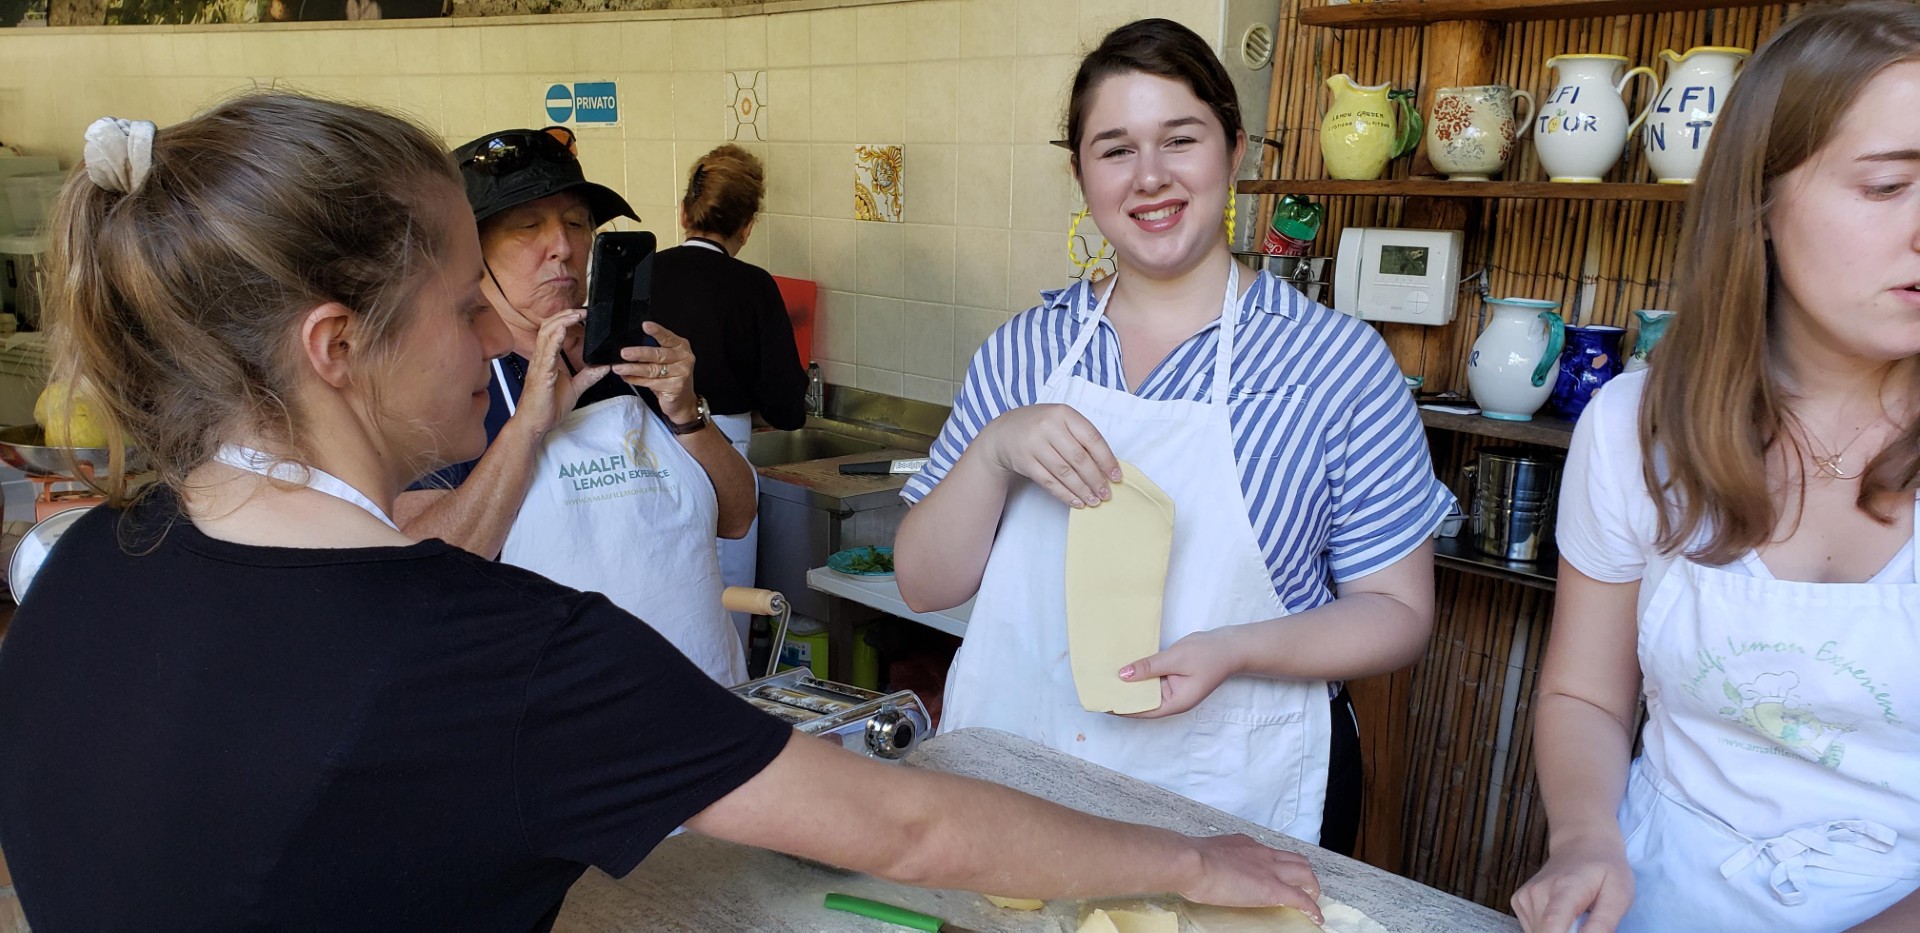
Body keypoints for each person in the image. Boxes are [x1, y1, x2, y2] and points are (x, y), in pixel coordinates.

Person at [0, 93, 1327, 931]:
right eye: (469, 301)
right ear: (336, 346)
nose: (495, 333)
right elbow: (905, 826)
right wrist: (1206, 868)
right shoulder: (494, 650)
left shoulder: (77, 571)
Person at [892, 18, 1453, 856]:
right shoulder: (1025, 352)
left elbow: (1399, 613)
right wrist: (993, 449)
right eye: (1115, 148)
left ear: (1234, 148)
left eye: (1179, 139)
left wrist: (1234, 649)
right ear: (1080, 173)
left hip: (1232, 792)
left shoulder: (1335, 364)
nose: (1150, 176)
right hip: (1022, 779)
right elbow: (924, 583)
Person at [1510, 6, 1920, 931]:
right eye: (1889, 184)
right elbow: (1584, 692)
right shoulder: (1635, 427)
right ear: (1762, 200)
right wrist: (1583, 835)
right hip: (1665, 899)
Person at [392, 125, 758, 686]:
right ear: (470, 251)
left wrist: (689, 414)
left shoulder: (635, 361)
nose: (561, 246)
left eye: (576, 222)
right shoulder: (446, 385)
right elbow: (423, 570)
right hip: (563, 730)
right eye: (527, 226)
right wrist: (528, 428)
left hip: (709, 697)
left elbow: (737, 518)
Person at [649, 144, 808, 643]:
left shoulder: (644, 272)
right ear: (747, 226)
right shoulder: (753, 286)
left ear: (683, 212)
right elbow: (788, 407)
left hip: (641, 459)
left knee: (659, 609)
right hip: (725, 462)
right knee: (723, 617)